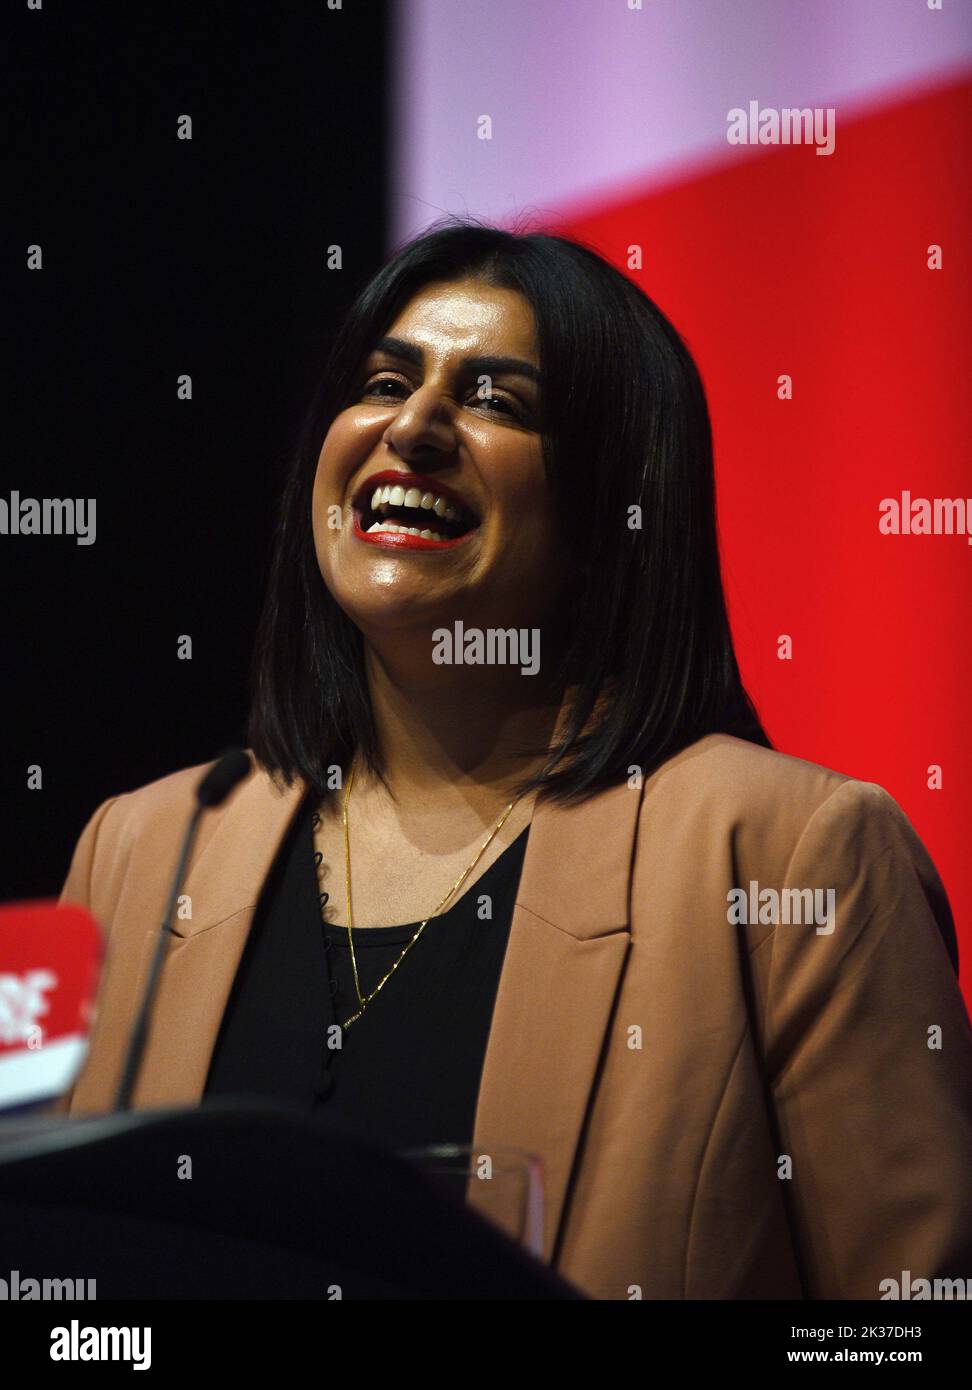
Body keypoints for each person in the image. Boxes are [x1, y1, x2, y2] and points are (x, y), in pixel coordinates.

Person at [60, 218, 972, 1300]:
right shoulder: (145, 848)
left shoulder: (790, 856)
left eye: (498, 400)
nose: (415, 425)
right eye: (384, 381)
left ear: (615, 506)